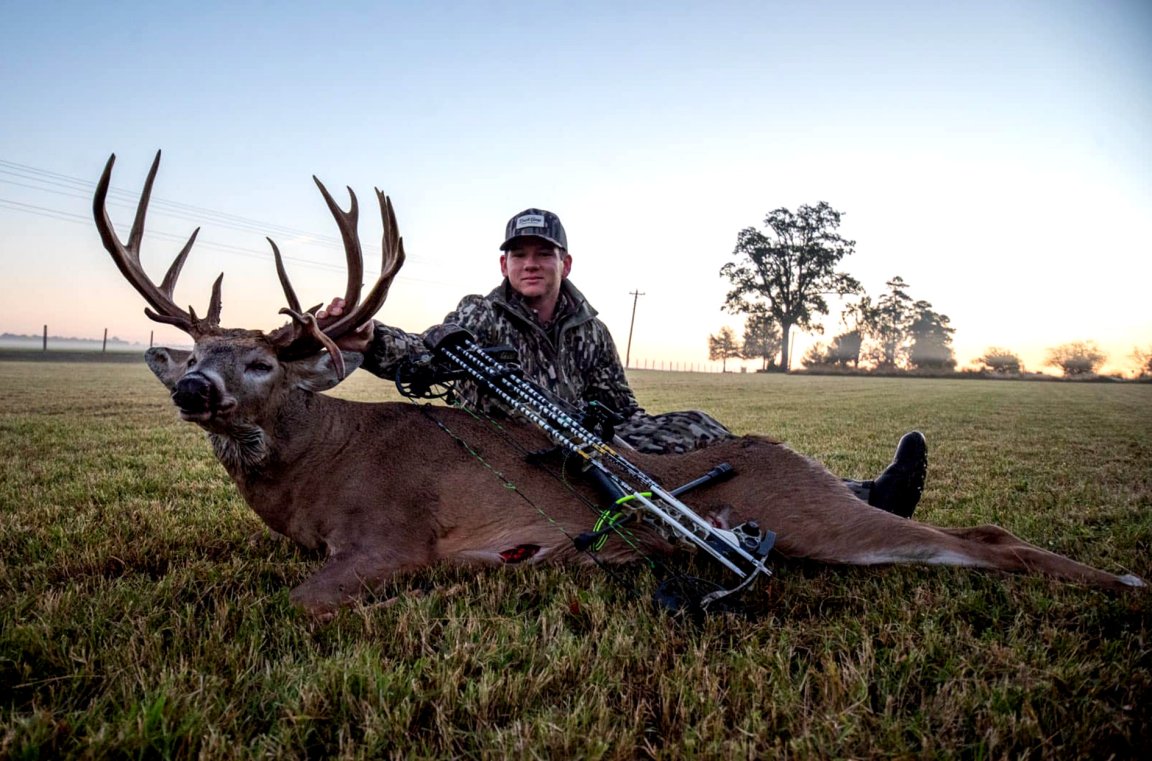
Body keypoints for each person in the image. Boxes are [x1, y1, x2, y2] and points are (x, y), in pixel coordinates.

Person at [323, 208, 927, 518]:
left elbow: (623, 408)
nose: (531, 264)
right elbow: (423, 358)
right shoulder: (477, 316)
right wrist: (369, 337)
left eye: (544, 254)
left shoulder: (593, 331)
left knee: (703, 431)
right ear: (503, 264)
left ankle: (859, 498)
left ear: (566, 262)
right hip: (501, 456)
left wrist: (646, 443)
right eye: (519, 255)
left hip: (587, 445)